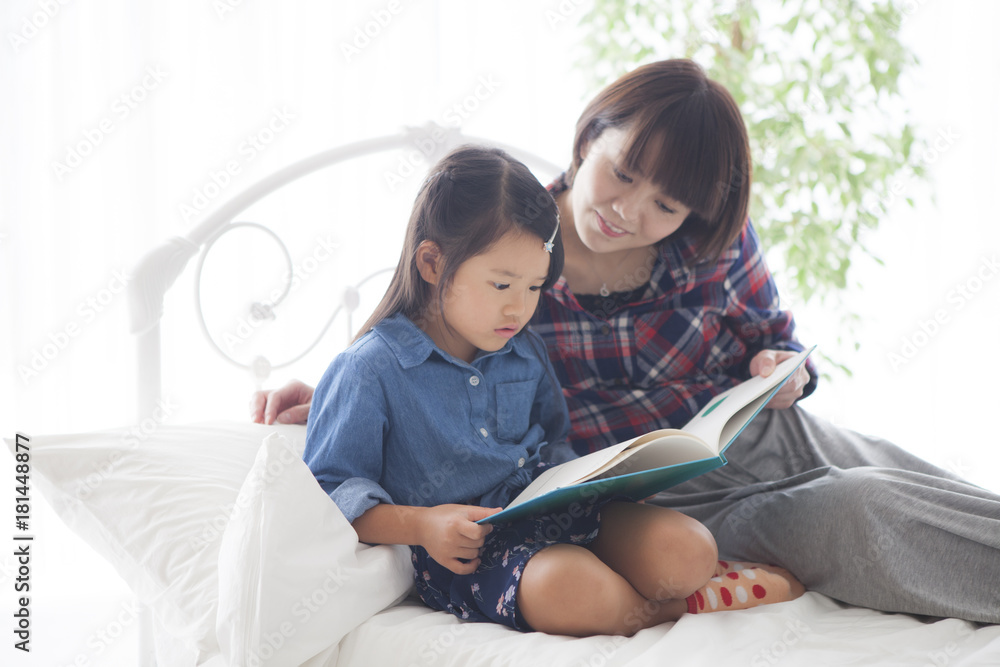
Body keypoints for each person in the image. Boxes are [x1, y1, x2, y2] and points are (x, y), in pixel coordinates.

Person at [254, 60, 1000, 625]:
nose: (628, 211)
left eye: (666, 204)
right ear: (588, 138)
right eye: (623, 173)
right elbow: (430, 361)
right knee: (864, 511)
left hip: (767, 431)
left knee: (926, 484)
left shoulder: (715, 243)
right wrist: (324, 395)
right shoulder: (507, 254)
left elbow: (780, 341)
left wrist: (784, 367)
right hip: (666, 493)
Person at [302, 145, 804, 636]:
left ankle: (684, 582)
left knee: (689, 548)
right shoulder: (368, 370)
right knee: (569, 587)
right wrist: (424, 525)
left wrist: (593, 481)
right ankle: (672, 611)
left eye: (535, 288)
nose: (519, 310)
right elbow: (333, 491)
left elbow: (557, 439)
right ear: (432, 264)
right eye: (502, 286)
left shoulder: (523, 349)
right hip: (467, 552)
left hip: (555, 509)